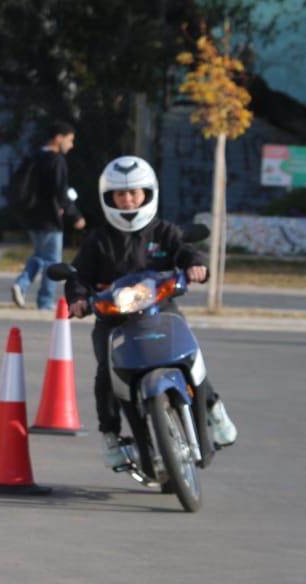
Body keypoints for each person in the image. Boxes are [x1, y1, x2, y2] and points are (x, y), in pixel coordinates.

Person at [65, 156, 237, 469]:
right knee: (107, 369)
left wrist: (196, 266)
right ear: (109, 198)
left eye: (135, 193)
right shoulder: (98, 241)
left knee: (188, 353)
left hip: (162, 308)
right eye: (120, 194)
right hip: (114, 319)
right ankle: (111, 436)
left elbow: (186, 250)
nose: (128, 199)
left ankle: (212, 407)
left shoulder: (163, 231)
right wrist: (77, 298)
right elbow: (79, 276)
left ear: (148, 193)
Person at [10, 120, 85, 311]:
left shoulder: (34, 156)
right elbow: (61, 192)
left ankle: (22, 284)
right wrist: (75, 216)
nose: (71, 145)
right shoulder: (56, 160)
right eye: (69, 140)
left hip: (31, 216)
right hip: (50, 218)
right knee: (53, 262)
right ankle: (44, 300)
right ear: (58, 138)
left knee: (41, 255)